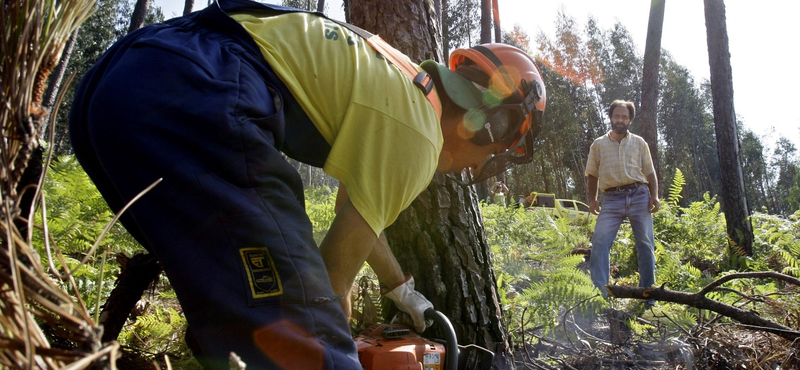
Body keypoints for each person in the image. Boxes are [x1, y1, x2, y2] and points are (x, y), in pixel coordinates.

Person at [68, 1, 546, 369]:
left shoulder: (405, 83)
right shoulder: (420, 136)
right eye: (494, 155)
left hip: (119, 83)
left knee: (235, 310)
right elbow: (333, 273)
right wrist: (329, 326)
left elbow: (357, 211)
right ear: (494, 124)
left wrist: (400, 289)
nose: (475, 167)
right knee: (311, 340)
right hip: (199, 90)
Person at [584, 100, 659, 304]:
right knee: (600, 240)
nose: (620, 120)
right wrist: (593, 199)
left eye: (624, 117)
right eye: (617, 116)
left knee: (645, 243)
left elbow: (650, 173)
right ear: (611, 117)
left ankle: (648, 295)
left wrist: (655, 195)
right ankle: (601, 292)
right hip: (611, 199)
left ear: (630, 120)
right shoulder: (598, 145)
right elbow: (592, 174)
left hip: (639, 195)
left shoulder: (639, 143)